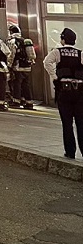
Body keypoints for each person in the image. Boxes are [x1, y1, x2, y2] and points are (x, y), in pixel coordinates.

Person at [43, 27, 83, 160]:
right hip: (79, 92)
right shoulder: (80, 53)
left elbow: (47, 63)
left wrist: (55, 78)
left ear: (63, 39)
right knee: (81, 123)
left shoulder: (57, 51)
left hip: (64, 91)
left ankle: (70, 152)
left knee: (67, 123)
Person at [8, 25, 36, 109]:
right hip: (27, 66)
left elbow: (11, 54)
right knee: (26, 84)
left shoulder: (12, 41)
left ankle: (16, 101)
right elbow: (32, 55)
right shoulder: (26, 41)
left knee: (17, 84)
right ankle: (28, 102)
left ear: (11, 32)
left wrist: (9, 65)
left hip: (17, 66)